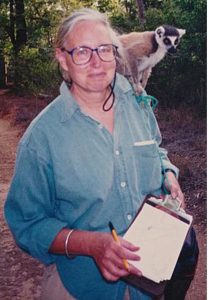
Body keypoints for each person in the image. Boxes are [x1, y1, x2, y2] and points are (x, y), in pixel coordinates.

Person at [4, 8, 185, 300]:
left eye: (104, 50)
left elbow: (156, 149)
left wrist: (168, 175)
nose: (97, 62)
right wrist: (89, 244)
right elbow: (27, 224)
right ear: (62, 58)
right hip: (82, 287)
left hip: (149, 283)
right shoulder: (42, 137)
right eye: (82, 52)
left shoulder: (139, 105)